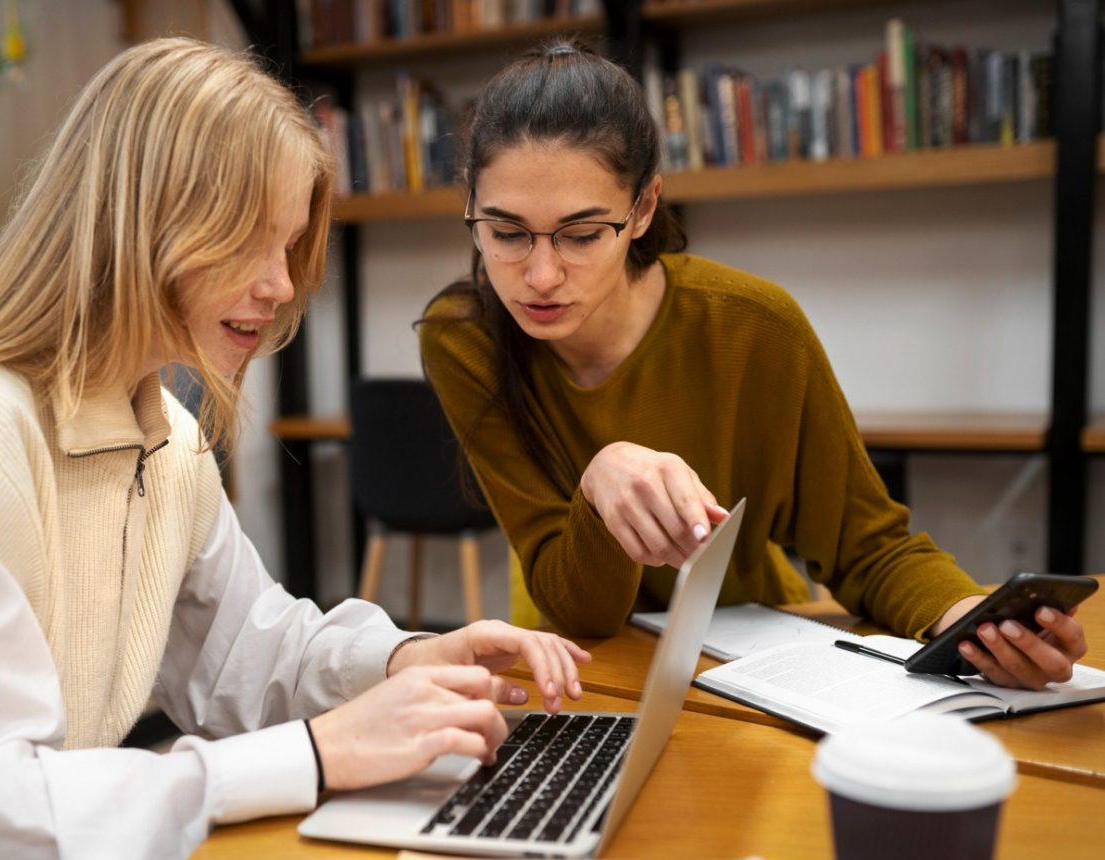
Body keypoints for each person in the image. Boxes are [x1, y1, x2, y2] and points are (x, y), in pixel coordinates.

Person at [0, 39, 591, 860]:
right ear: (139, 223)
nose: (276, 286)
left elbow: (240, 653)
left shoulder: (155, 434)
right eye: (245, 243)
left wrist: (403, 664)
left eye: (289, 248)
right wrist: (315, 754)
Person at [419, 41, 1087, 692]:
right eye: (506, 233)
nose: (539, 275)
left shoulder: (754, 326)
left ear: (644, 208)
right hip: (589, 673)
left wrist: (968, 624)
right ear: (469, 207)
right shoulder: (465, 339)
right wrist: (600, 484)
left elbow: (866, 546)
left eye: (583, 235)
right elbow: (581, 613)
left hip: (756, 666)